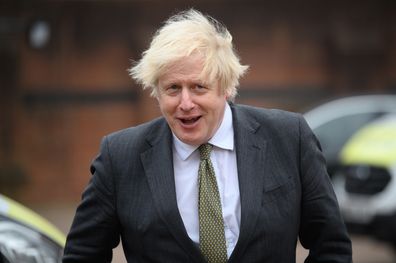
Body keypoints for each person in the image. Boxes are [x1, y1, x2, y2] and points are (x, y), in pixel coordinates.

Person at [63, 9, 352, 263]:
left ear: (225, 87)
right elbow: (82, 255)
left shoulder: (290, 137)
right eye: (173, 88)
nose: (185, 103)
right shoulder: (119, 156)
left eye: (198, 87)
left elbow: (331, 247)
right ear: (157, 92)